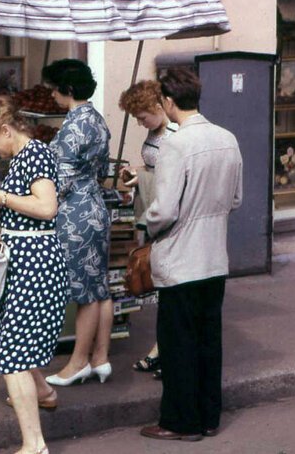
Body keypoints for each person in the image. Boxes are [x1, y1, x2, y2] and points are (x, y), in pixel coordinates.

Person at [0, 96, 68, 454]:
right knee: (7, 339)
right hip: (24, 261)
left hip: (33, 263)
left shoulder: (35, 155)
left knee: (13, 353)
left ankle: (34, 445)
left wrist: (1, 198)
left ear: (6, 130)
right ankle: (44, 393)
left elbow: (46, 207)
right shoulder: (26, 156)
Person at [140, 67, 243, 442]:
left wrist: (147, 224)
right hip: (214, 256)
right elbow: (235, 198)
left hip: (181, 258)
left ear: (168, 102)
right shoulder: (227, 138)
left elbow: (164, 209)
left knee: (177, 342)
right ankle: (209, 416)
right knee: (208, 339)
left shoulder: (175, 144)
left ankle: (180, 421)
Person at [41, 59, 113, 387]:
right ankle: (100, 358)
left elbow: (62, 179)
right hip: (96, 208)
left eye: (54, 89)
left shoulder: (74, 125)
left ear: (68, 90)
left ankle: (78, 362)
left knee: (84, 293)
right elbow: (101, 171)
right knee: (98, 288)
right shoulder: (97, 120)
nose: (52, 95)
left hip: (75, 215)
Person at [117, 80, 178, 379]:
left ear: (158, 106)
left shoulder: (177, 134)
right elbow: (154, 169)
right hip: (153, 210)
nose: (141, 123)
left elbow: (172, 177)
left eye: (142, 117)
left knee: (168, 287)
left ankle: (164, 351)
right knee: (160, 287)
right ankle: (163, 348)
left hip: (166, 216)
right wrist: (137, 175)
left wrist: (144, 178)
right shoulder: (157, 132)